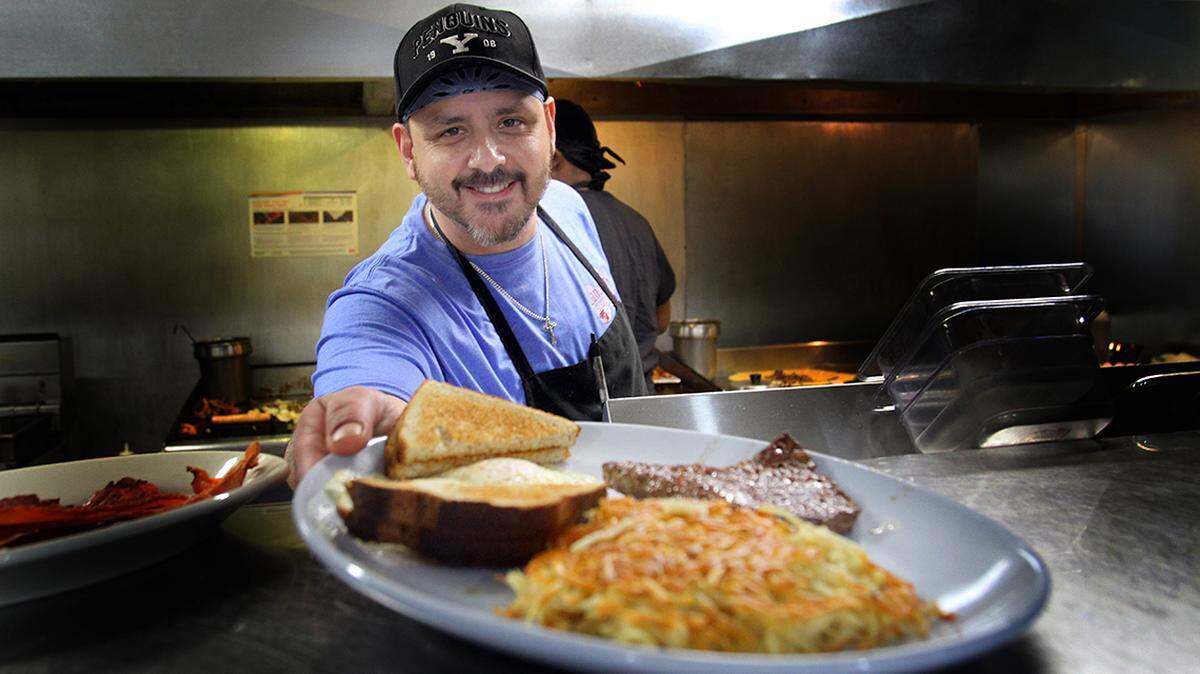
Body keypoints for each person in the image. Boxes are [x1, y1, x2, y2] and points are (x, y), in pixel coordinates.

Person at [287, 4, 645, 486]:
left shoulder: (566, 206)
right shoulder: (384, 301)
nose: (488, 161)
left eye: (511, 122)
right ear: (408, 150)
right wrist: (359, 417)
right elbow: (366, 373)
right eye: (451, 131)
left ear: (549, 125)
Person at [550, 100, 676, 391]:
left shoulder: (549, 225)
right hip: (641, 398)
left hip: (588, 407)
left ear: (554, 159)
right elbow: (662, 319)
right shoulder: (636, 222)